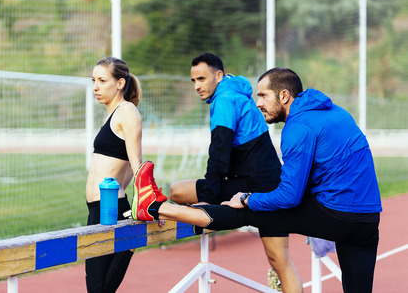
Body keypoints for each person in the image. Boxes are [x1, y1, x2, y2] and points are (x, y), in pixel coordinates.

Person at [132, 67, 382, 293]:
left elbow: (289, 196)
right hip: (368, 221)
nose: (258, 102)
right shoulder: (335, 111)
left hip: (337, 215)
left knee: (242, 212)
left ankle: (154, 206)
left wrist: (247, 199)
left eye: (263, 95)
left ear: (284, 96)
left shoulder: (297, 128)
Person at [168, 52, 302, 292]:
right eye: (193, 80)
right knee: (280, 262)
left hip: (255, 189)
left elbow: (219, 154)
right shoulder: (237, 92)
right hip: (270, 185)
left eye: (202, 78)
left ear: (218, 76)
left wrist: (208, 199)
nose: (197, 86)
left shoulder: (225, 100)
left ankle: (160, 211)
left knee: (176, 191)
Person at [85, 56, 142, 293]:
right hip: (101, 207)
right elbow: (125, 166)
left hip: (110, 208)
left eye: (102, 80)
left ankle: (131, 242)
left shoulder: (127, 111)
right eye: (93, 81)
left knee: (98, 289)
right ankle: (131, 243)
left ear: (120, 83)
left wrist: (146, 203)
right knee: (99, 287)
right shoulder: (113, 113)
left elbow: (137, 163)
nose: (96, 87)